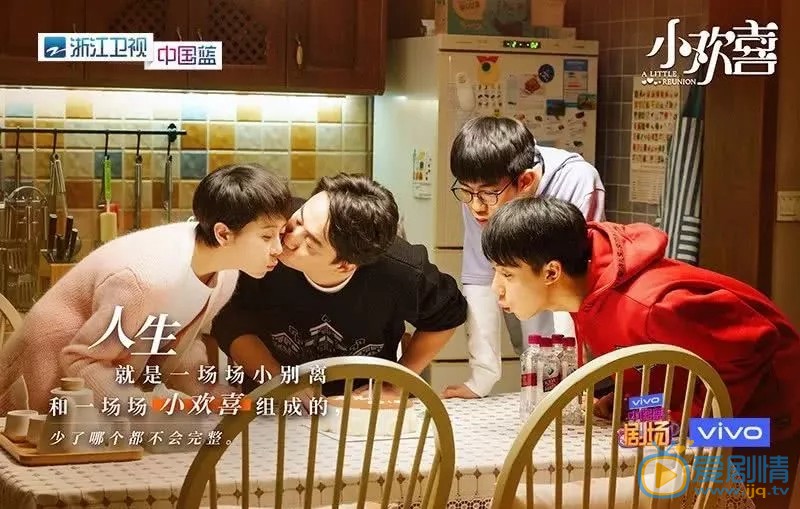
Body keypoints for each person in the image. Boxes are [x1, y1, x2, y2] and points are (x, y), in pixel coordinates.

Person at [481, 196, 800, 508]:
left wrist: (683, 423)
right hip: (700, 409)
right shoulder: (586, 289)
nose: (496, 287)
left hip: (764, 416)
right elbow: (662, 361)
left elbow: (756, 344)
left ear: (552, 272)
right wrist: (628, 401)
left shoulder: (649, 305)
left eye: (507, 274)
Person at [0, 164, 293, 415]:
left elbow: (179, 343)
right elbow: (82, 360)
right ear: (223, 234)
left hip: (91, 394)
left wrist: (213, 396)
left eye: (280, 234)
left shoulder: (226, 273)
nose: (278, 249)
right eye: (266, 236)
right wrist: (144, 408)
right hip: (38, 380)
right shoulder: (142, 279)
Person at [210, 173, 467, 398]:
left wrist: (397, 382)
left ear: (345, 265)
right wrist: (281, 382)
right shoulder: (267, 237)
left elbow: (448, 314)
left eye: (309, 243)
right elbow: (229, 319)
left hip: (359, 407)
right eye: (298, 220)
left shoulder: (402, 270)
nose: (288, 238)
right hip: (272, 401)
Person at [442, 116, 605, 400]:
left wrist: (567, 381)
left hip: (581, 328)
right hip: (534, 330)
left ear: (526, 181)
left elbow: (569, 287)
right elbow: (480, 280)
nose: (476, 206)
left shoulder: (576, 181)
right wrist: (481, 379)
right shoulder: (481, 198)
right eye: (466, 191)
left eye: (487, 193)